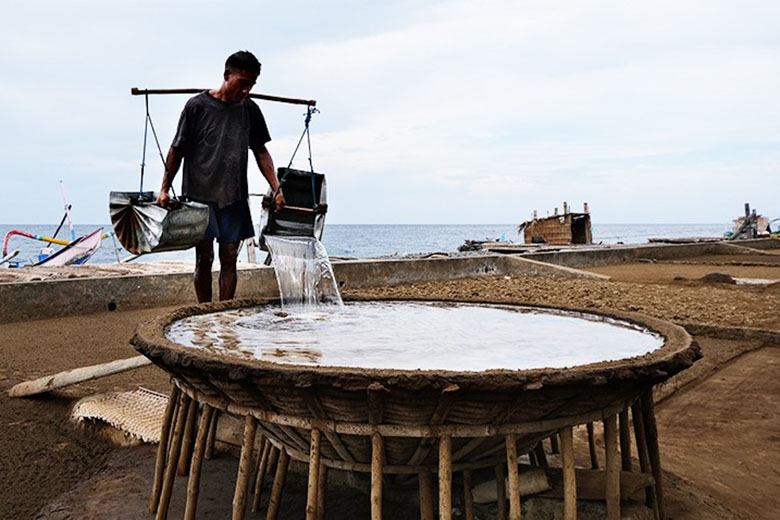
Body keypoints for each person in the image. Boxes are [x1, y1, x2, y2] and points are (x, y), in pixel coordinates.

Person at [156, 50, 285, 302]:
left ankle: (223, 313)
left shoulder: (250, 110)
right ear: (227, 75)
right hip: (199, 197)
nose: (247, 90)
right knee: (204, 258)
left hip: (233, 197)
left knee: (229, 259)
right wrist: (164, 188)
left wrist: (276, 188)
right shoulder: (197, 106)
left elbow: (261, 151)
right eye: (243, 83)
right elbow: (177, 149)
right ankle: (203, 312)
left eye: (252, 84)